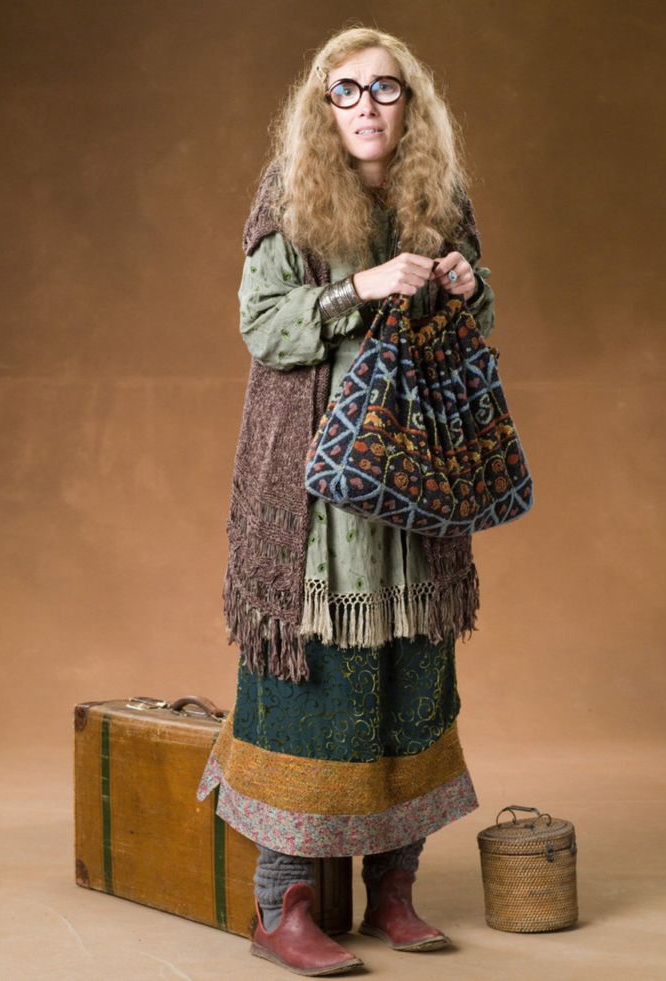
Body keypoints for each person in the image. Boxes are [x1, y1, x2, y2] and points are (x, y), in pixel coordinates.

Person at [196, 25, 496, 977]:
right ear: (321, 108)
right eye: (346, 91)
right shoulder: (289, 196)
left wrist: (462, 282)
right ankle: (279, 905)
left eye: (386, 88)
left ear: (411, 103)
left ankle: (392, 892)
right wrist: (360, 288)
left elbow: (480, 324)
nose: (367, 106)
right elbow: (261, 323)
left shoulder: (437, 200)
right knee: (313, 690)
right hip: (316, 505)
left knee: (413, 680)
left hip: (418, 490)